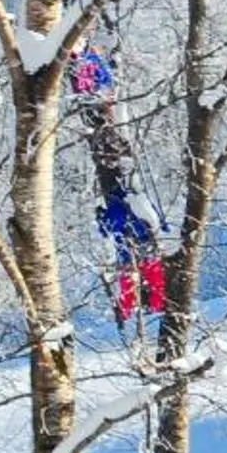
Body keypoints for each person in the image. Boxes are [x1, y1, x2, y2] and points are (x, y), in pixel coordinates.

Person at [86, 107, 167, 330]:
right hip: (145, 244)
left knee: (132, 279)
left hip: (131, 247)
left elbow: (109, 227)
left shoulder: (122, 202)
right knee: (150, 276)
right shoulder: (137, 197)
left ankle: (129, 312)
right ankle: (147, 307)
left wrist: (101, 218)